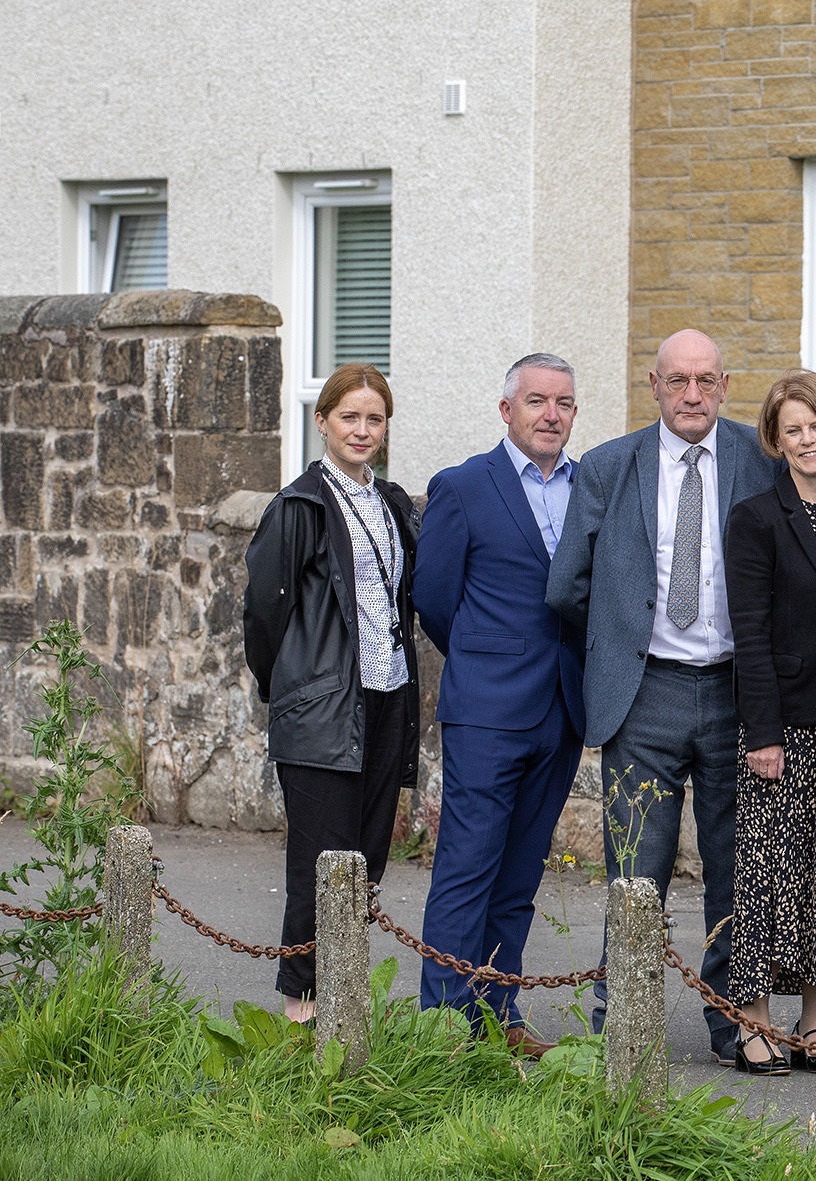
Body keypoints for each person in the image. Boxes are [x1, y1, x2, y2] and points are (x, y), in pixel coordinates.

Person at [546, 328, 780, 1063]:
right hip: (643, 694)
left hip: (737, 696)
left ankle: (731, 1025)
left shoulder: (761, 461)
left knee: (736, 870)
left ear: (725, 385)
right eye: (677, 381)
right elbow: (567, 587)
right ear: (653, 385)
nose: (692, 395)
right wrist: (619, 641)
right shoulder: (611, 467)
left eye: (706, 381)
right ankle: (626, 1025)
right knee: (633, 872)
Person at [412, 353, 587, 1057]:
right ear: (507, 410)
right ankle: (445, 1031)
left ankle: (499, 1016)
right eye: (538, 400)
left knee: (519, 875)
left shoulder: (589, 485)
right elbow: (434, 602)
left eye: (565, 403)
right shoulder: (462, 487)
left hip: (561, 708)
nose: (552, 414)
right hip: (487, 709)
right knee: (466, 867)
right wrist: (491, 659)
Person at [243, 363, 420, 1024]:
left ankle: (343, 1008)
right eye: (350, 417)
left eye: (375, 418)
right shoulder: (299, 507)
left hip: (388, 700)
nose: (362, 430)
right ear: (323, 422)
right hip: (321, 711)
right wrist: (293, 690)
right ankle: (300, 1014)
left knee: (366, 861)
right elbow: (263, 615)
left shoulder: (394, 504)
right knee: (320, 864)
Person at [723, 372, 816, 1076]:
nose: (807, 441)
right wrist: (763, 734)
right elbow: (748, 634)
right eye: (793, 430)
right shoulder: (755, 517)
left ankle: (815, 1026)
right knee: (767, 874)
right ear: (776, 443)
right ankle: (754, 1025)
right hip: (786, 728)